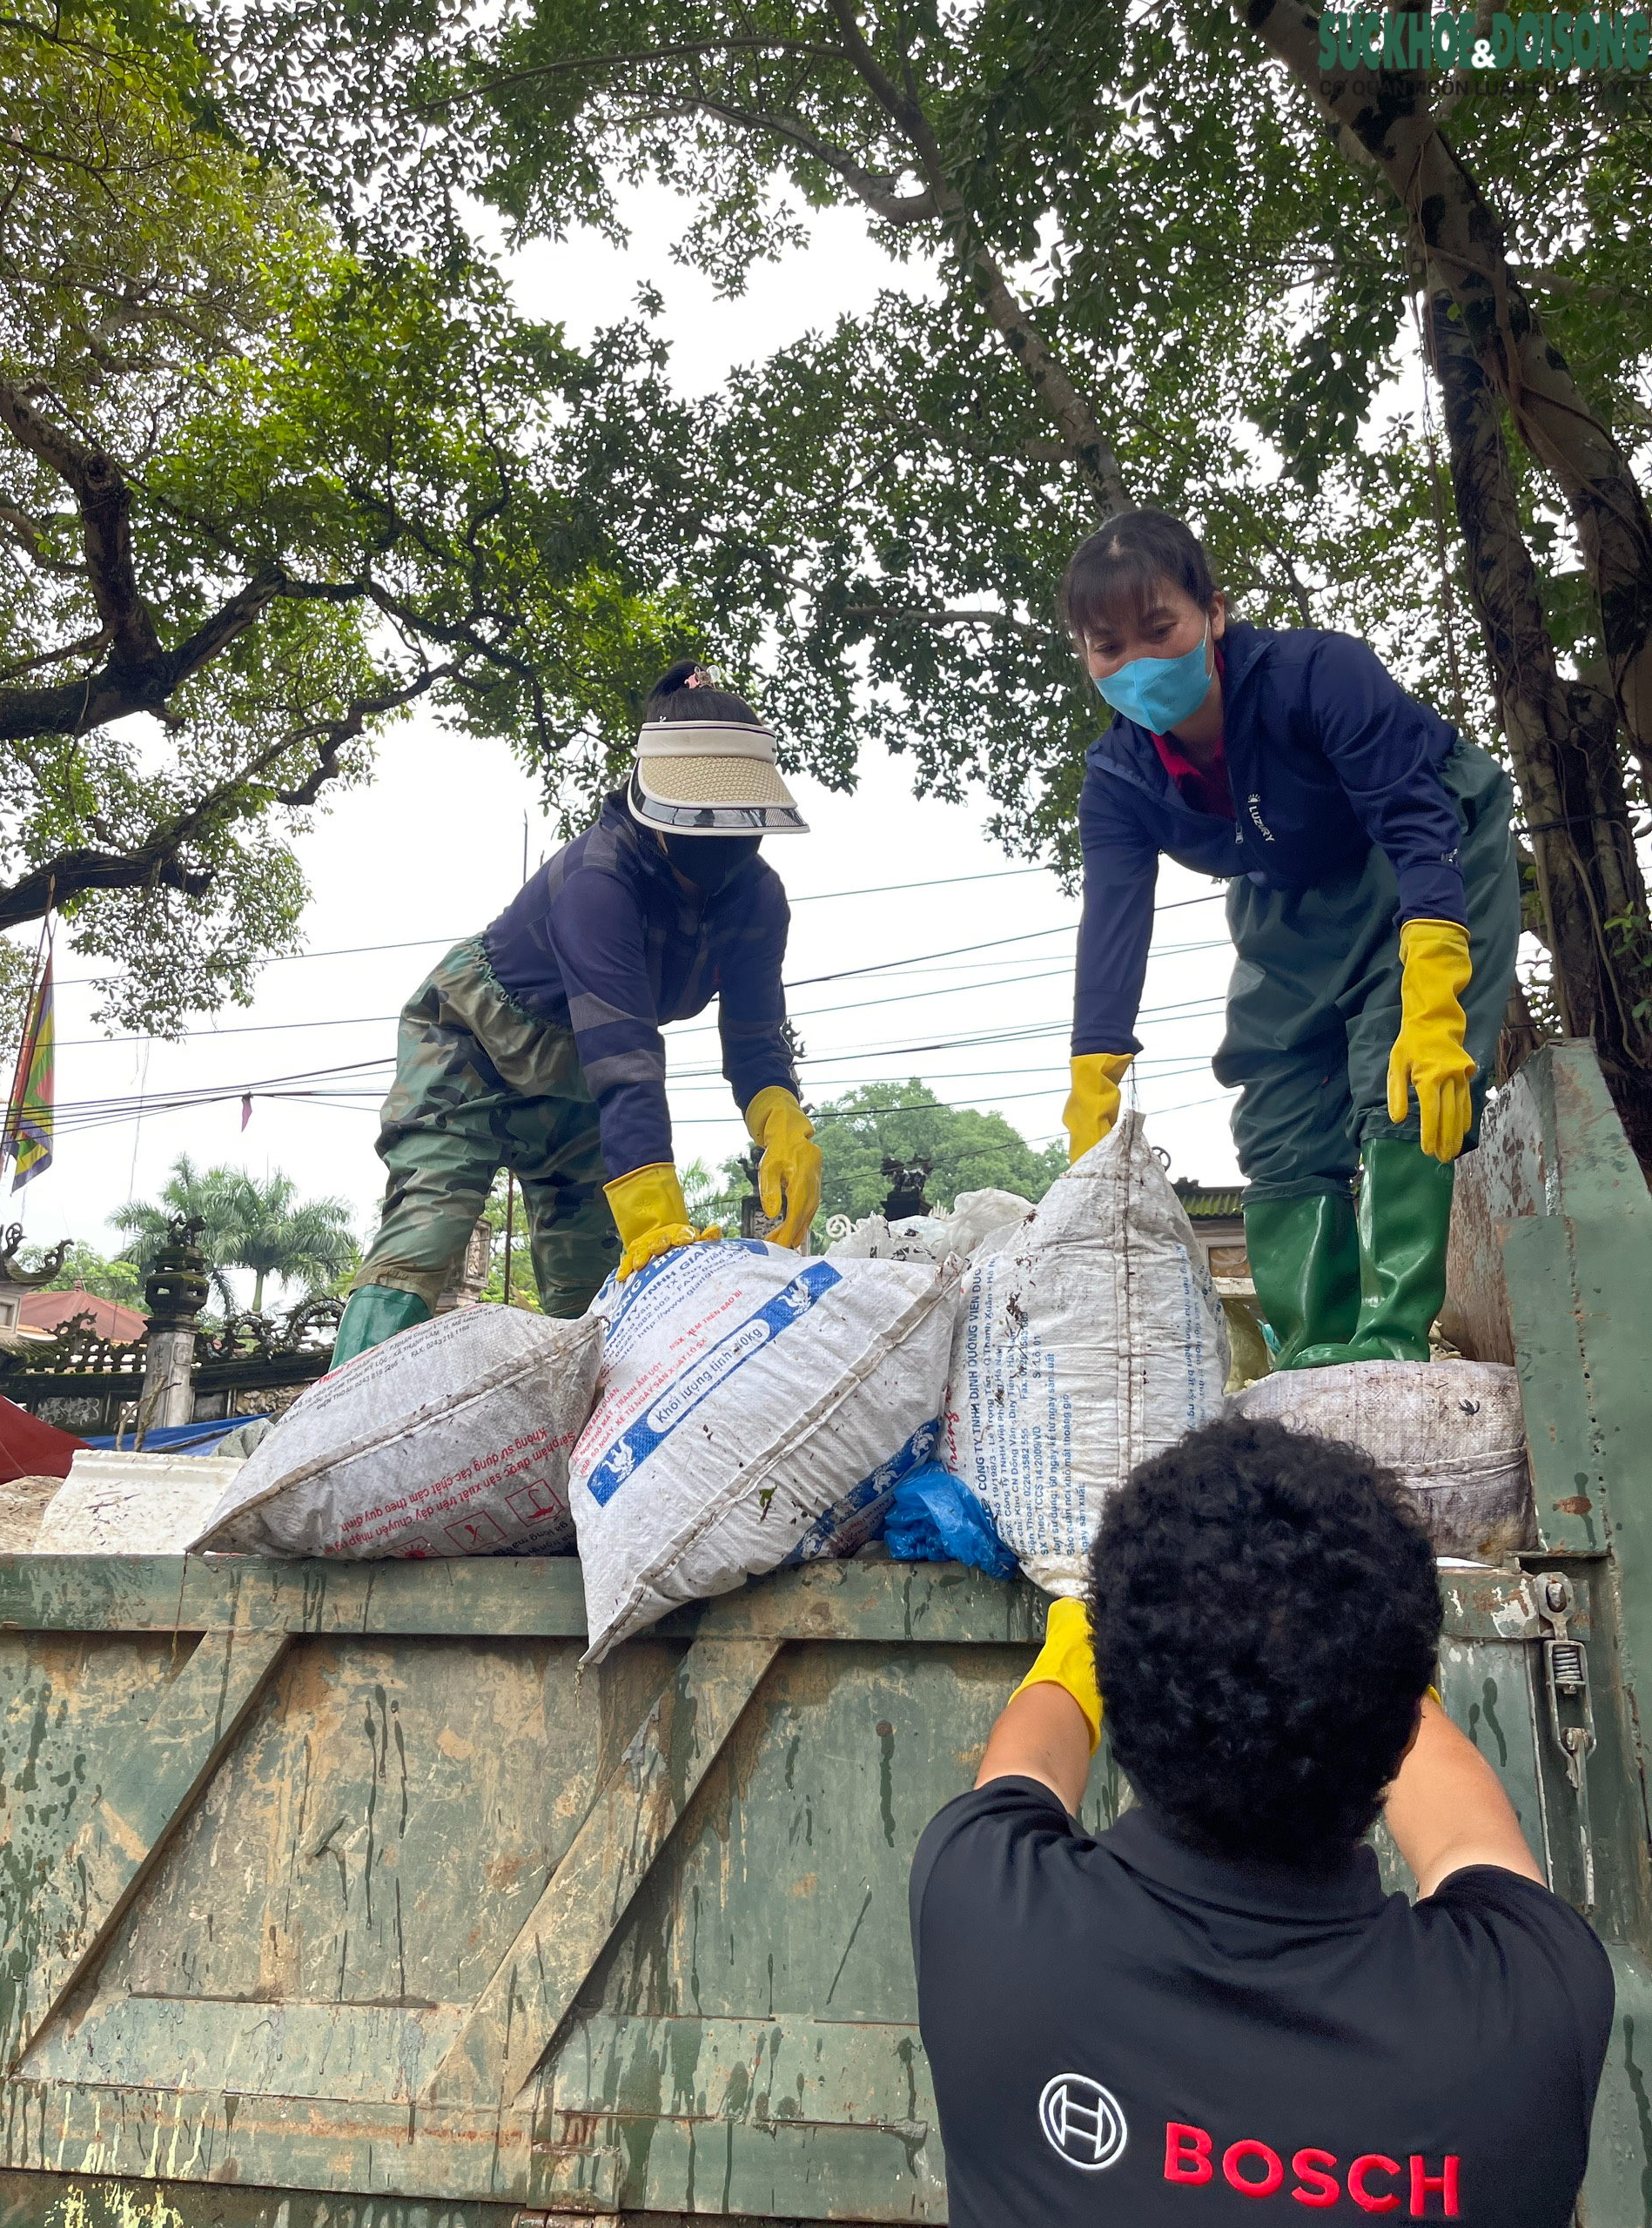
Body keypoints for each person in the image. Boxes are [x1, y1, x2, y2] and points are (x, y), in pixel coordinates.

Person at [911, 1417, 1614, 2226]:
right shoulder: (1530, 2008)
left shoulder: (981, 1908)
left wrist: (1076, 1648)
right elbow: (1468, 1838)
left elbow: (1028, 1766)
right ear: (1403, 1719)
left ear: (1121, 1691)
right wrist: (1374, 1667)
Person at [1058, 513, 1521, 1366]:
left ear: (1214, 615)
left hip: (1416, 853)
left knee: (1405, 1067)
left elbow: (1415, 822)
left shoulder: (1318, 675)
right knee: (1274, 1090)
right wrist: (1094, 1071)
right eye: (1108, 646)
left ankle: (1391, 1340)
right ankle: (1315, 1352)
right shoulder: (1119, 780)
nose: (1139, 663)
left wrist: (1434, 979)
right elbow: (1112, 924)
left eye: (1160, 630)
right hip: (1288, 892)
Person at [331, 662, 823, 1366]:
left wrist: (781, 1119)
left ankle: (579, 1457)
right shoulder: (599, 882)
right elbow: (627, 1054)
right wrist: (658, 1221)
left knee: (593, 1290)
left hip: (582, 1086)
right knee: (426, 1238)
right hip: (471, 1048)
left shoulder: (757, 903)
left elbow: (753, 1038)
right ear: (657, 805)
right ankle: (336, 1431)